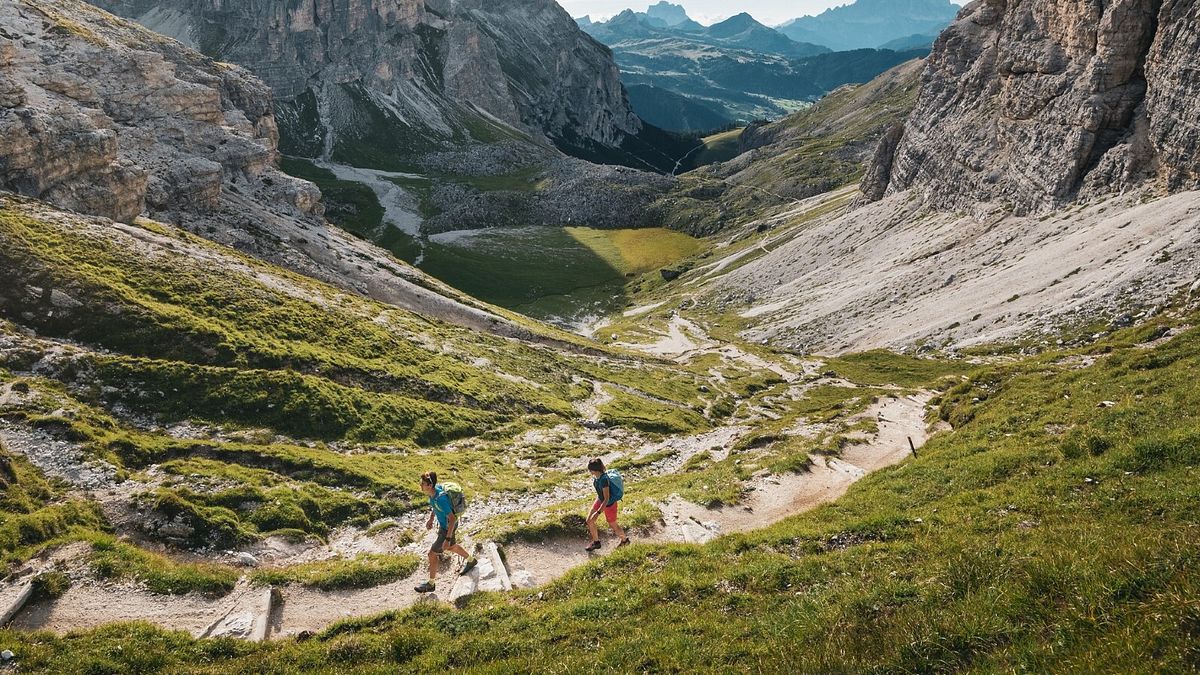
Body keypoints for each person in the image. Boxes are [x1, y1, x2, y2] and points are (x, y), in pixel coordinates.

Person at [414, 471, 476, 593]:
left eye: (423, 483)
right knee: (451, 547)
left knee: (432, 554)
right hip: (445, 526)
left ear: (429, 485)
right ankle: (471, 560)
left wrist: (447, 538)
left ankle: (431, 584)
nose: (421, 485)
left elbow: (452, 519)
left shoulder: (441, 498)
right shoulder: (433, 492)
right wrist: (431, 519)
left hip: (448, 527)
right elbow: (434, 506)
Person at [585, 458, 630, 551]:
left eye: (590, 470)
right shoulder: (597, 477)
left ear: (594, 470)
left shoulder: (604, 480)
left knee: (613, 525)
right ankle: (596, 542)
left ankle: (625, 540)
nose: (589, 471)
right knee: (589, 520)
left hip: (609, 505)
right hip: (600, 500)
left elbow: (606, 499)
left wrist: (597, 513)